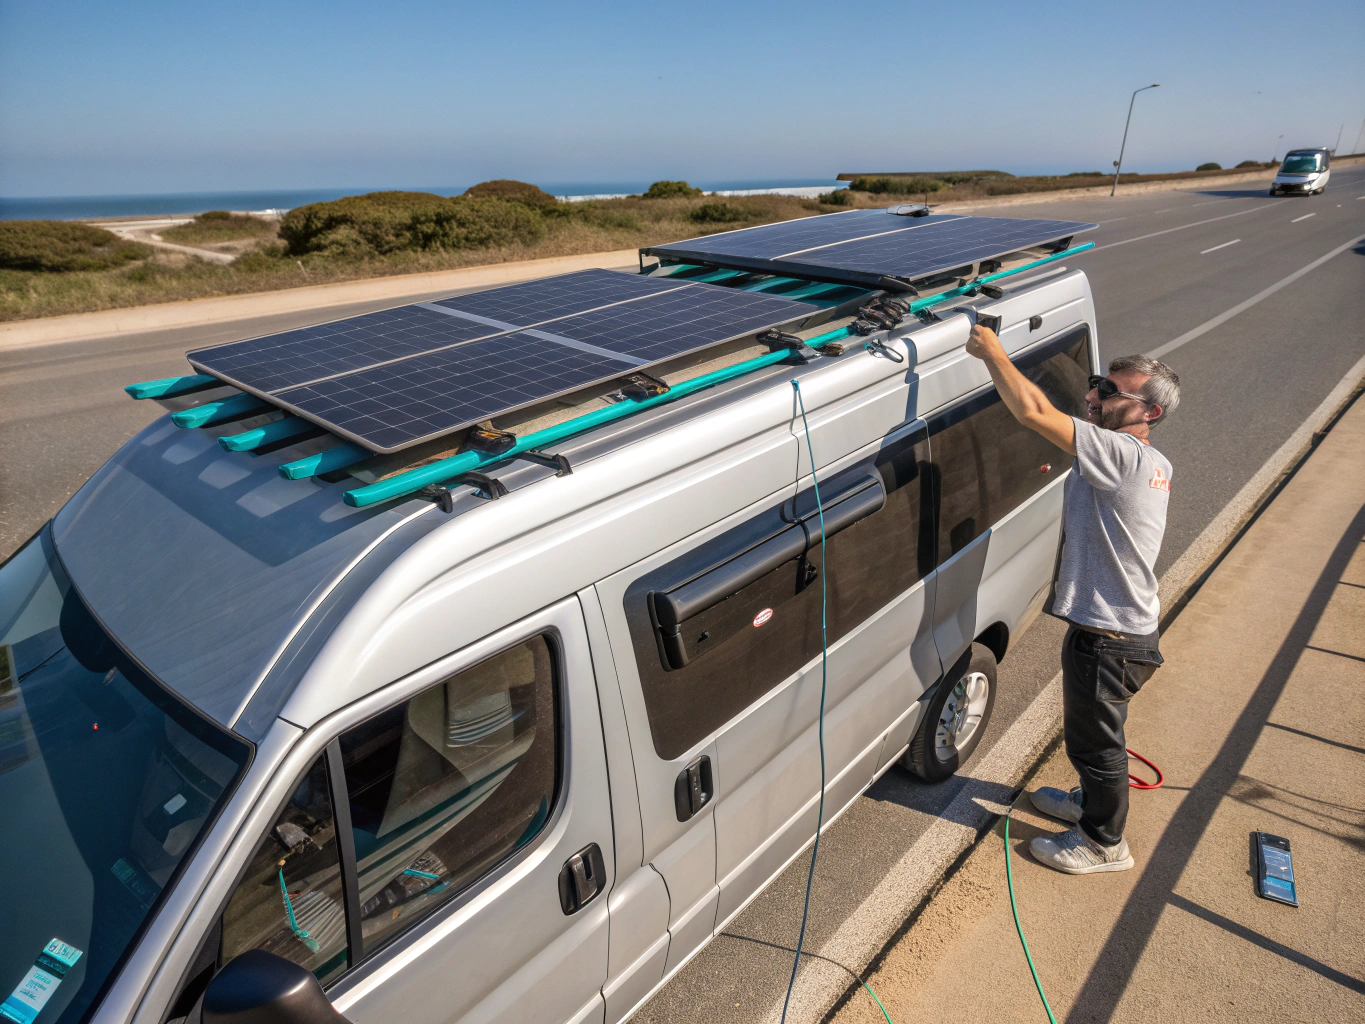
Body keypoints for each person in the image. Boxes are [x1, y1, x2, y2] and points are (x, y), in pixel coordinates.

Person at [965, 323, 1180, 874]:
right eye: (1095, 383)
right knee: (1093, 735)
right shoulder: (1147, 462)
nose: (1092, 396)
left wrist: (992, 351)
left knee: (1096, 745)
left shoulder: (1125, 456)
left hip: (1111, 639)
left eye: (1110, 392)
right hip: (1119, 630)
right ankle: (1089, 804)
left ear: (1148, 413)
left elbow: (1035, 413)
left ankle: (1105, 843)